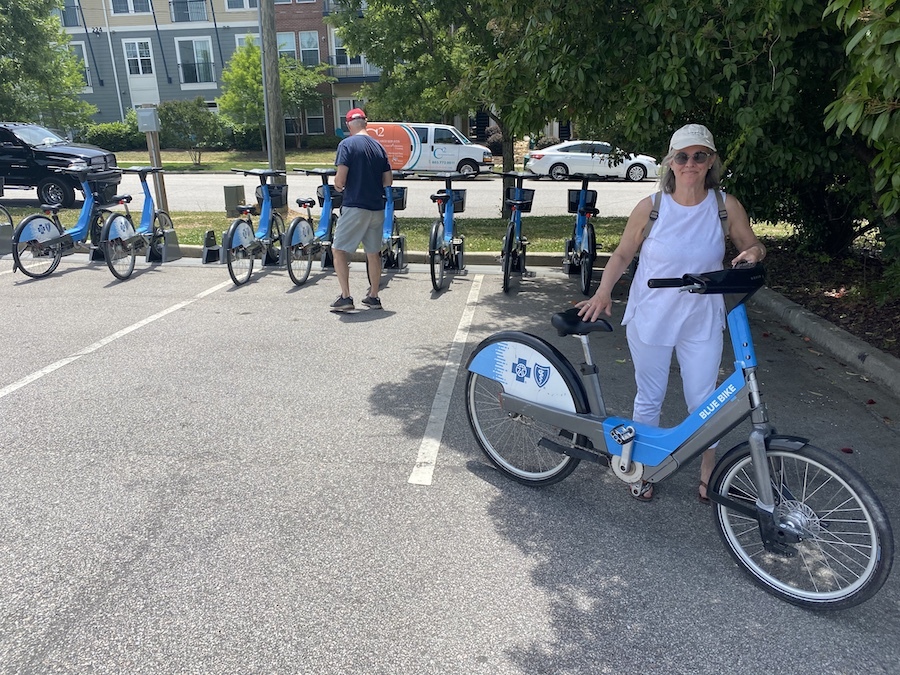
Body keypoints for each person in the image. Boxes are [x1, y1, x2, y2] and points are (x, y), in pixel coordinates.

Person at [576, 123, 766, 502]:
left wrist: (755, 253)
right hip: (653, 315)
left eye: (700, 156)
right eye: (682, 156)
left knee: (704, 400)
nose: (691, 163)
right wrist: (602, 293)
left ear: (711, 160)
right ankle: (642, 468)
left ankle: (708, 471)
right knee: (650, 396)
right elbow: (623, 254)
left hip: (701, 318)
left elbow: (753, 245)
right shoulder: (652, 207)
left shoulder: (725, 206)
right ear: (670, 162)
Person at [329, 108, 393, 312]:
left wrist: (339, 185)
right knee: (373, 253)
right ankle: (374, 296)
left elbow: (340, 179)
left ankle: (346, 297)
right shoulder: (379, 147)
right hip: (377, 207)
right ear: (365, 123)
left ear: (349, 125)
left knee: (338, 250)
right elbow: (388, 180)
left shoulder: (346, 144)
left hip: (355, 205)